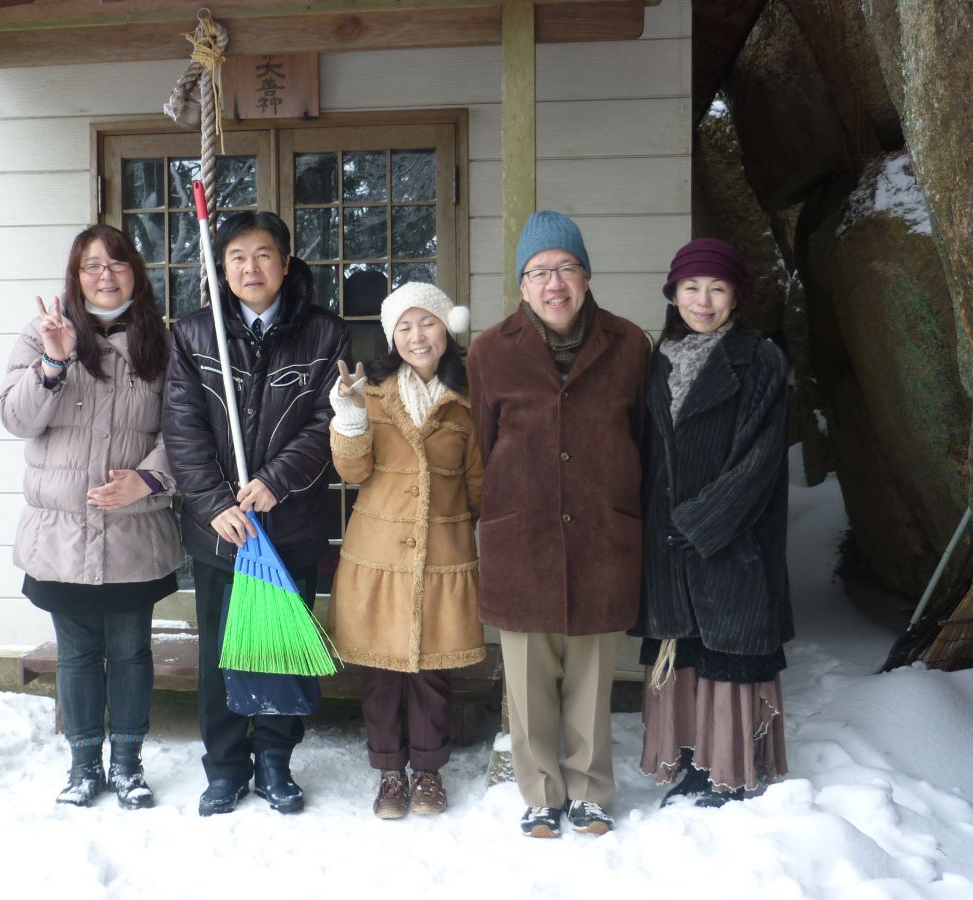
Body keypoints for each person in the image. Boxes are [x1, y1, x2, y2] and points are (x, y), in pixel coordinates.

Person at [468, 210, 650, 838]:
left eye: (566, 269)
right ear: (522, 285)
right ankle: (542, 793)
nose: (554, 284)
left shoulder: (629, 345)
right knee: (528, 680)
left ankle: (591, 790)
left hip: (604, 532)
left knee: (593, 678)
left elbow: (642, 440)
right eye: (539, 272)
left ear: (587, 276)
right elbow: (484, 441)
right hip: (523, 536)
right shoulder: (491, 351)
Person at [161, 211, 350, 817]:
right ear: (223, 267)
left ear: (286, 263)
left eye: (263, 254)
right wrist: (215, 502)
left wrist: (277, 479)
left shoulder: (324, 333)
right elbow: (181, 427)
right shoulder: (194, 334)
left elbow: (330, 422)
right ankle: (224, 766)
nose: (251, 267)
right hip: (221, 532)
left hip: (290, 523)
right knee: (222, 648)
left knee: (279, 645)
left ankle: (275, 760)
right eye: (237, 256)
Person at [0, 224, 182, 809]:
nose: (105, 276)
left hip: (133, 532)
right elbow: (16, 419)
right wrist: (53, 364)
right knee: (76, 654)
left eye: (117, 264)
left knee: (130, 651)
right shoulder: (43, 334)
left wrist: (146, 479)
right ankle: (82, 768)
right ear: (75, 276)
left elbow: (184, 430)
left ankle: (127, 765)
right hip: (61, 536)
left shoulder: (163, 342)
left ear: (137, 272)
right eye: (91, 266)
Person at [631, 238, 792, 808]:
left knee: (728, 649)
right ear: (673, 293)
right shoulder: (658, 360)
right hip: (665, 543)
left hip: (732, 539)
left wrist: (701, 522)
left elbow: (761, 461)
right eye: (691, 287)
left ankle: (730, 766)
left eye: (717, 288)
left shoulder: (760, 358)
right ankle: (694, 761)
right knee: (686, 650)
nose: (703, 301)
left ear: (736, 297)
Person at [327, 282, 484, 820]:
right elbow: (352, 472)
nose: (418, 336)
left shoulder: (466, 400)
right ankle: (390, 773)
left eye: (429, 323)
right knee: (381, 671)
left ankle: (429, 772)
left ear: (447, 329)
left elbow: (478, 483)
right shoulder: (368, 392)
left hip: (442, 552)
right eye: (405, 326)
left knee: (432, 670)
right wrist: (348, 417)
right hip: (379, 557)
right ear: (392, 336)